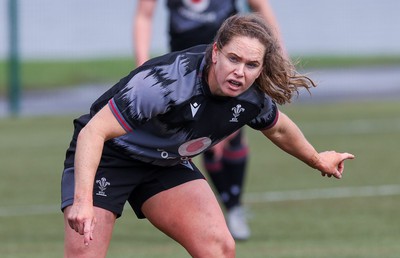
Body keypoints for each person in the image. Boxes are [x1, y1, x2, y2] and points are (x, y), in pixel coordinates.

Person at [62, 13, 355, 258]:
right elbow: (94, 132)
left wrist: (318, 159)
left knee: (219, 248)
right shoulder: (165, 83)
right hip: (110, 156)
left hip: (166, 163)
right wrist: (83, 201)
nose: (239, 72)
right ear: (215, 53)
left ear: (261, 67)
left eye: (251, 65)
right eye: (233, 58)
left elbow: (278, 127)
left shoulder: (251, 96)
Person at [133, 0, 287, 240]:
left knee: (233, 134)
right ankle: (226, 205)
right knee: (204, 145)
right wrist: (143, 65)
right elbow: (144, 15)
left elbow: (261, 7)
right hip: (187, 68)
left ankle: (234, 208)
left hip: (234, 62)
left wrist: (277, 54)